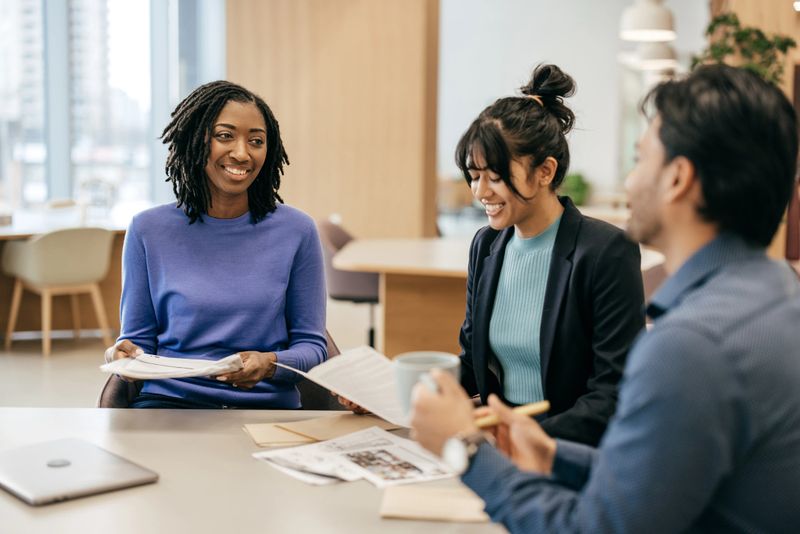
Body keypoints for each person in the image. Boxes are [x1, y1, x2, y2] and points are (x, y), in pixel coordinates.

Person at [411, 63, 800, 532]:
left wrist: (466, 448)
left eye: (639, 160)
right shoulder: (778, 300)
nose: (630, 182)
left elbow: (598, 527)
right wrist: (553, 452)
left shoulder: (690, 347)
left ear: (677, 178)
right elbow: (653, 478)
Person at [104, 80, 327, 409]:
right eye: (225, 136)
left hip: (266, 409)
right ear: (195, 140)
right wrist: (121, 353)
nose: (242, 152)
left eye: (256, 141)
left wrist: (271, 364)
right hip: (169, 408)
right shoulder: (147, 230)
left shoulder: (297, 230)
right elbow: (137, 341)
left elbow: (313, 347)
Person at [454, 64, 644, 446]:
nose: (481, 192)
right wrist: (395, 391)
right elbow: (471, 365)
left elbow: (613, 393)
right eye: (474, 176)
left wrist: (527, 438)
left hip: (573, 449)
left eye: (495, 176)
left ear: (545, 171)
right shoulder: (486, 246)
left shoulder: (606, 252)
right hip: (502, 442)